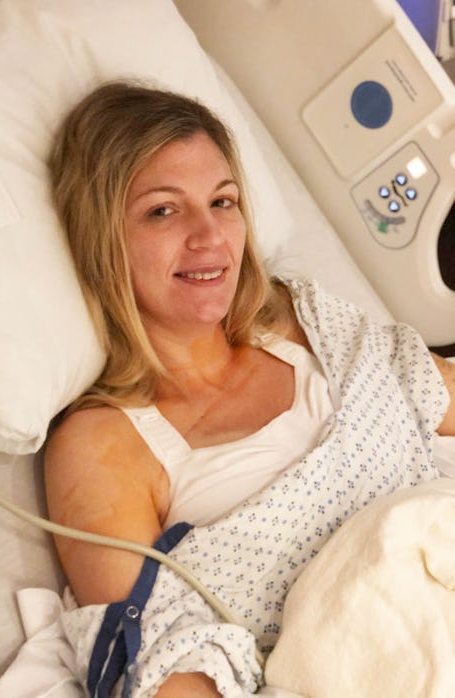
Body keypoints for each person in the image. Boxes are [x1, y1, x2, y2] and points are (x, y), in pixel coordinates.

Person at [44, 80, 455, 697]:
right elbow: (155, 662)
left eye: (224, 201)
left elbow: (436, 390)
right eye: (163, 209)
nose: (210, 237)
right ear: (103, 237)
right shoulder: (103, 443)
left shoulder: (301, 319)